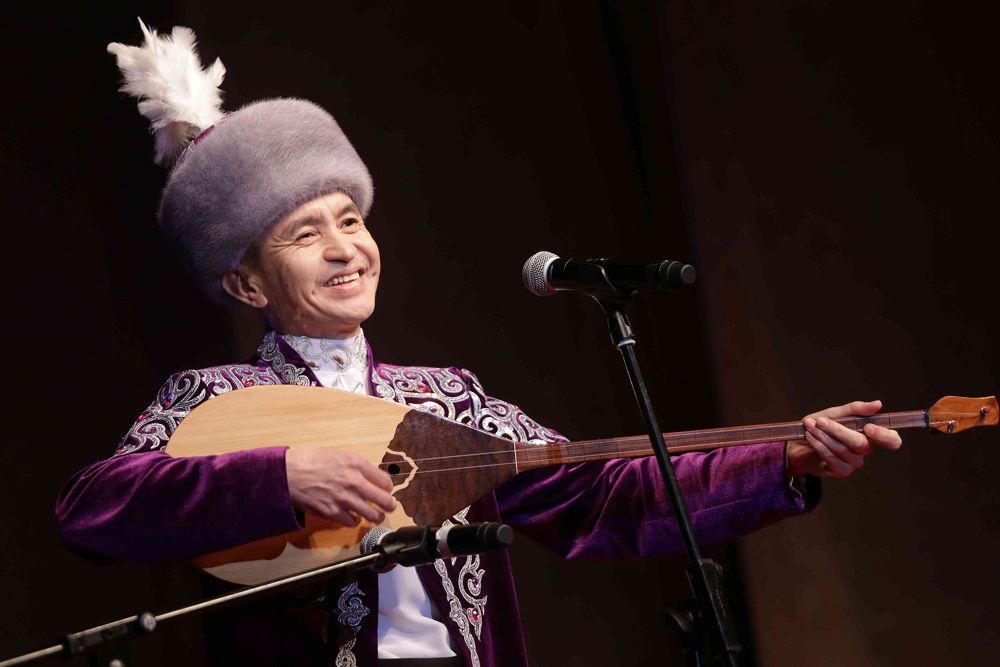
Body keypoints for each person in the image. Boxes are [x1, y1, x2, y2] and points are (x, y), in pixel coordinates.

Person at [55, 22, 902, 667]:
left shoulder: (448, 398)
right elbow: (92, 507)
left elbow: (605, 496)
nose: (345, 248)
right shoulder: (215, 399)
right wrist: (279, 476)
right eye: (305, 235)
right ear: (247, 285)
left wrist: (787, 459)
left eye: (350, 220)